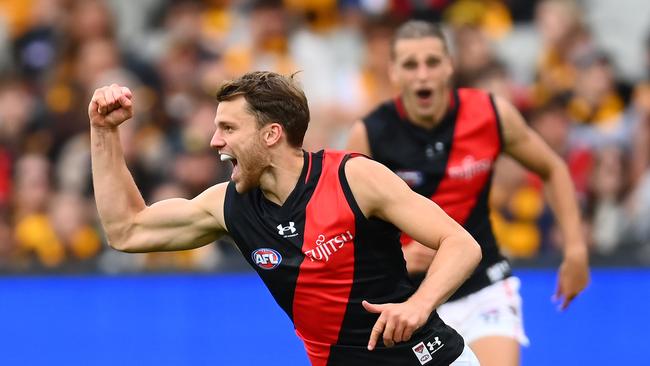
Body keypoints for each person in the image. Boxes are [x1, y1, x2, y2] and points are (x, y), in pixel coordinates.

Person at [88, 71, 483, 365]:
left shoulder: (354, 178)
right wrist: (104, 131)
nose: (215, 142)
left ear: (272, 134)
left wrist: (419, 304)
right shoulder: (228, 206)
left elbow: (461, 243)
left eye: (228, 128)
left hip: (433, 360)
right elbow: (128, 230)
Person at [346, 20, 590, 366]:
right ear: (393, 73)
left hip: (483, 284)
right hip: (411, 299)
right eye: (410, 65)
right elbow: (349, 224)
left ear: (450, 66)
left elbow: (552, 168)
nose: (422, 75)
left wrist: (576, 249)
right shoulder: (370, 134)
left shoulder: (490, 114)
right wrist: (400, 253)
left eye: (432, 62)